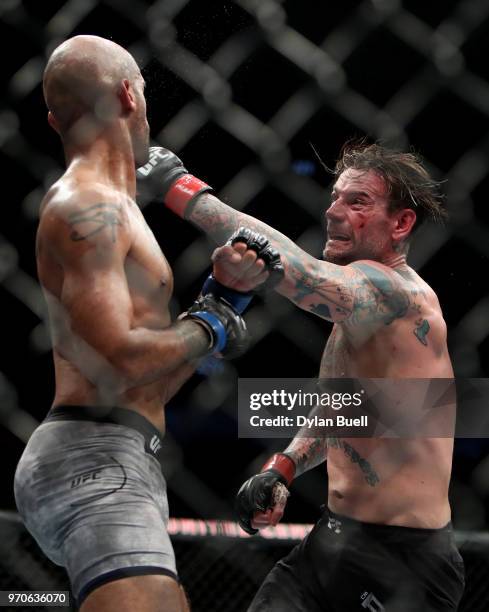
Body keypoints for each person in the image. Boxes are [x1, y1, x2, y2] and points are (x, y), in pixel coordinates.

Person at [13, 35, 283, 612]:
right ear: (129, 96)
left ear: (55, 118)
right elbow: (121, 359)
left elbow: (145, 378)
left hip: (119, 451)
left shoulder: (117, 206)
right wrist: (208, 326)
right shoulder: (89, 206)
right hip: (95, 459)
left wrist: (222, 301)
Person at [136, 143, 466, 610]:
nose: (333, 212)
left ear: (401, 223)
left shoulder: (400, 298)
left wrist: (179, 188)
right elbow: (344, 410)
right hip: (328, 542)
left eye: (357, 202)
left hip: (405, 564)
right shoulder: (356, 320)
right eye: (334, 197)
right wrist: (285, 466)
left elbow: (296, 269)